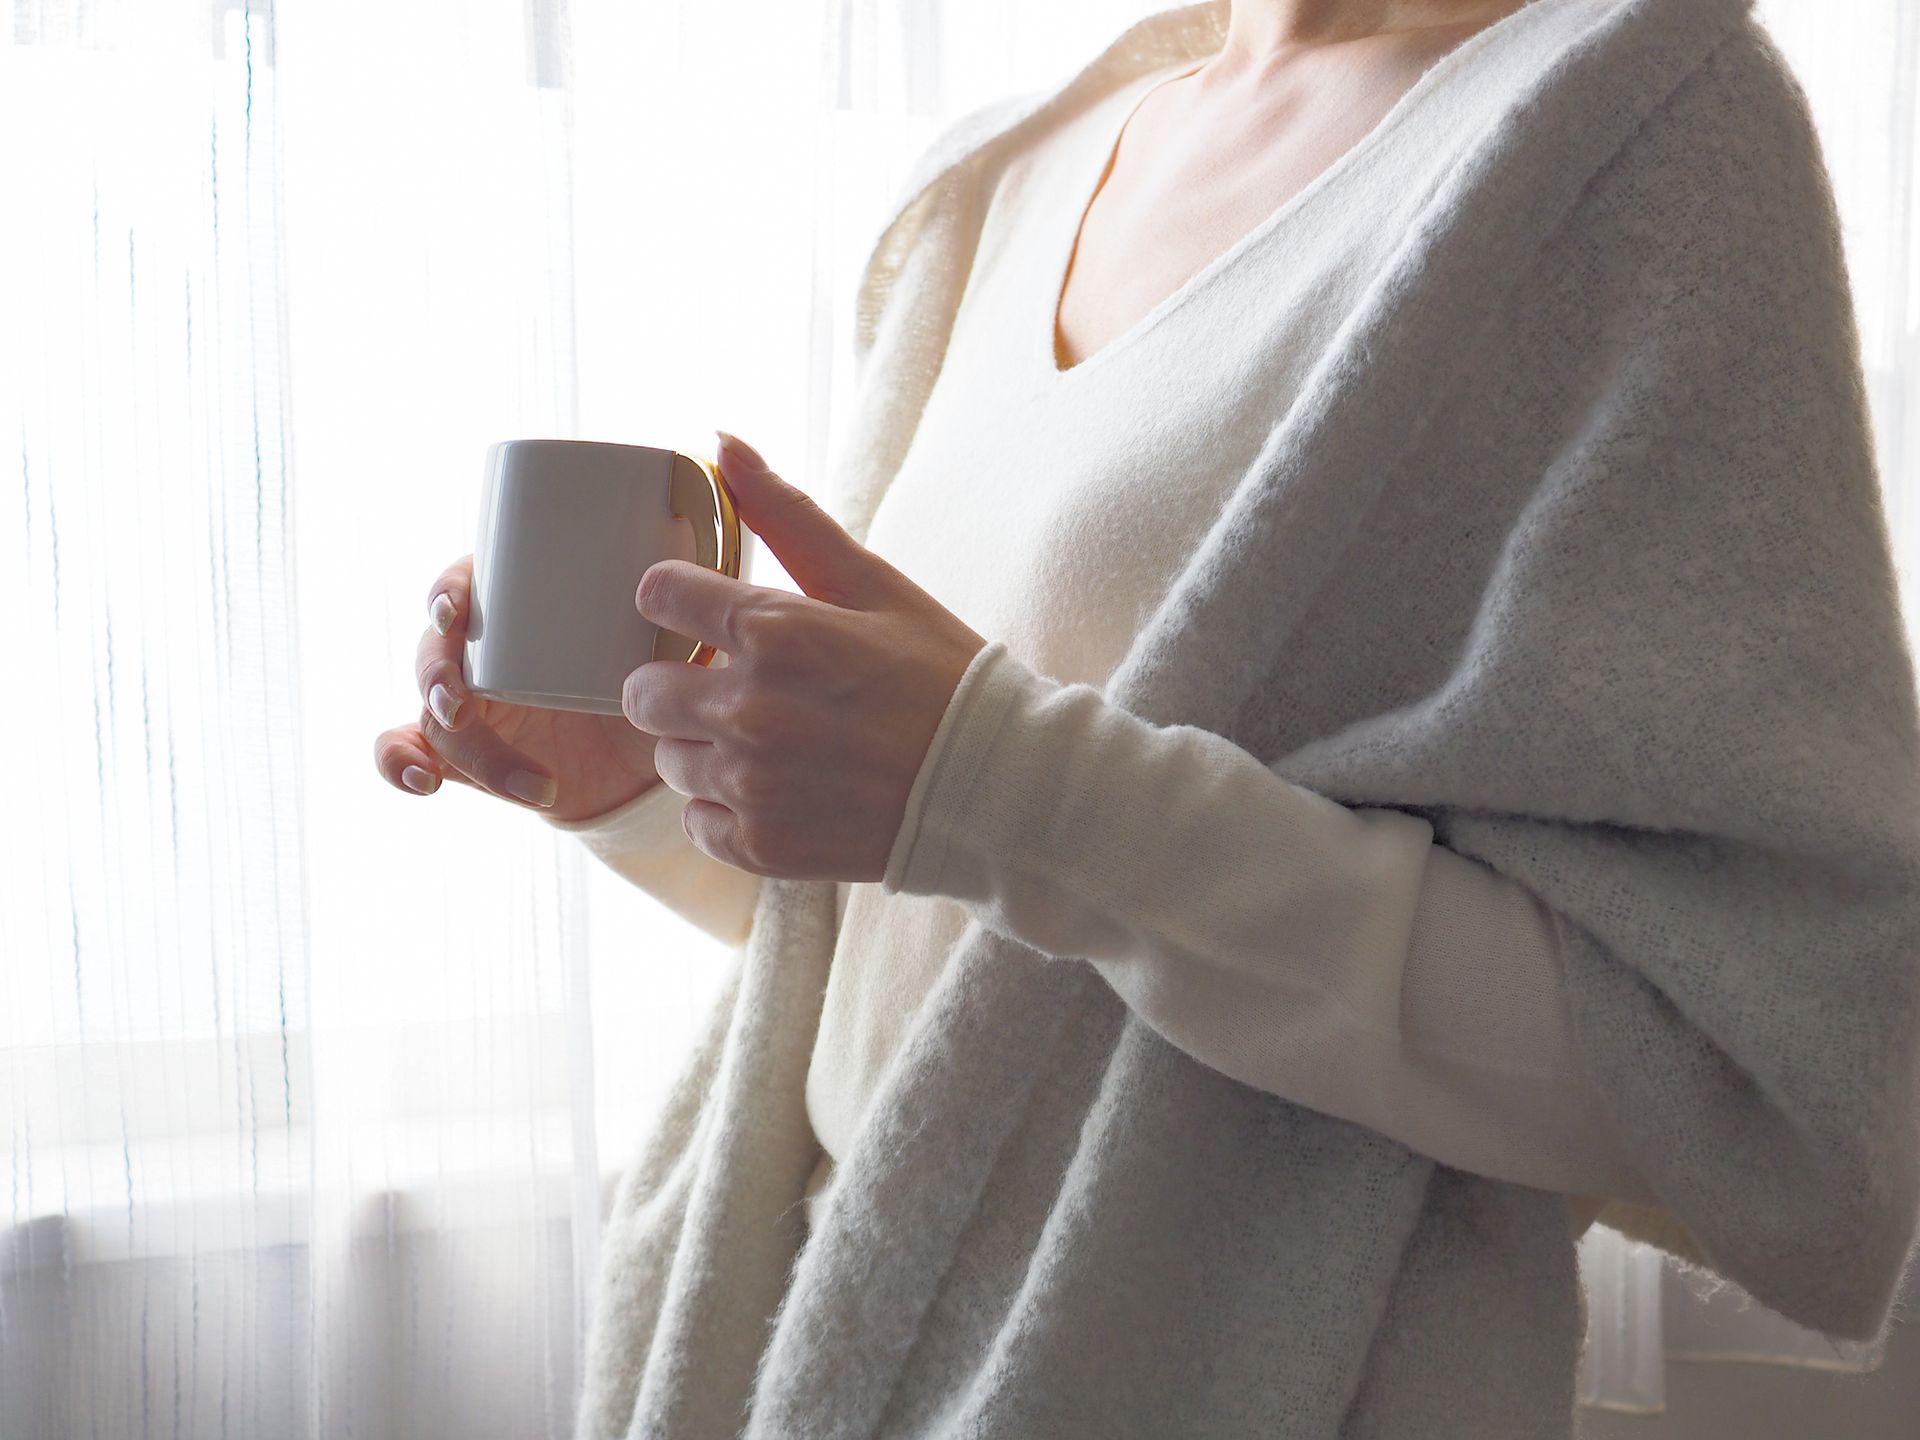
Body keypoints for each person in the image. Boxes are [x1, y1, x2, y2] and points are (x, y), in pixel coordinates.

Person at [374, 0, 1920, 1435]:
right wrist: (652, 788)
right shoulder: (1015, 174)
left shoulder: (1625, 130)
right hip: (808, 1336)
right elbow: (987, 972)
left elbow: (1751, 1076)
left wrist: (996, 786)